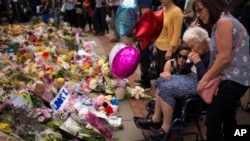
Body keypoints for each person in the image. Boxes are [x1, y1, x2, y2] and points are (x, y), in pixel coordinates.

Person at [136, 26, 210, 140]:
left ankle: (165, 128)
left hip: (199, 83)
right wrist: (189, 62)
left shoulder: (210, 54)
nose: (192, 49)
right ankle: (156, 119)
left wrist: (197, 61)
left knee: (168, 88)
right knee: (161, 80)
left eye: (193, 46)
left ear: (202, 42)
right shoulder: (198, 51)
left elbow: (205, 77)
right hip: (189, 77)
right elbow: (186, 69)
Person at [192, 0, 250, 140]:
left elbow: (224, 58)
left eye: (200, 10)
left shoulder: (223, 23)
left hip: (233, 79)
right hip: (236, 78)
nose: (198, 15)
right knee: (228, 119)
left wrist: (205, 79)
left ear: (211, 6)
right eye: (196, 12)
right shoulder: (225, 20)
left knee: (212, 120)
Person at [153, 0, 183, 76]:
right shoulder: (163, 9)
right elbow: (159, 29)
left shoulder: (177, 12)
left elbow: (176, 33)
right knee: (159, 73)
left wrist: (170, 49)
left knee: (166, 75)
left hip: (167, 49)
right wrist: (155, 45)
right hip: (159, 47)